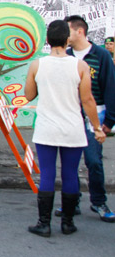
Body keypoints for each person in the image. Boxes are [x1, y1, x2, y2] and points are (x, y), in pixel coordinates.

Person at [24, 20, 105, 237]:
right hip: (73, 128)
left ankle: (44, 223)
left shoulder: (37, 65)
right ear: (67, 39)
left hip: (46, 128)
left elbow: (29, 95)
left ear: (48, 40)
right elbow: (87, 100)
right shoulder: (80, 66)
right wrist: (97, 128)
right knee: (70, 173)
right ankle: (68, 223)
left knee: (48, 173)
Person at [61, 15, 115, 222]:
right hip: (71, 115)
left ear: (79, 31)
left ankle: (99, 202)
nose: (65, 35)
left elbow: (110, 87)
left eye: (68, 31)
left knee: (93, 161)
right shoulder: (65, 56)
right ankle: (72, 203)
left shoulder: (100, 55)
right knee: (70, 163)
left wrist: (108, 121)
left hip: (96, 117)